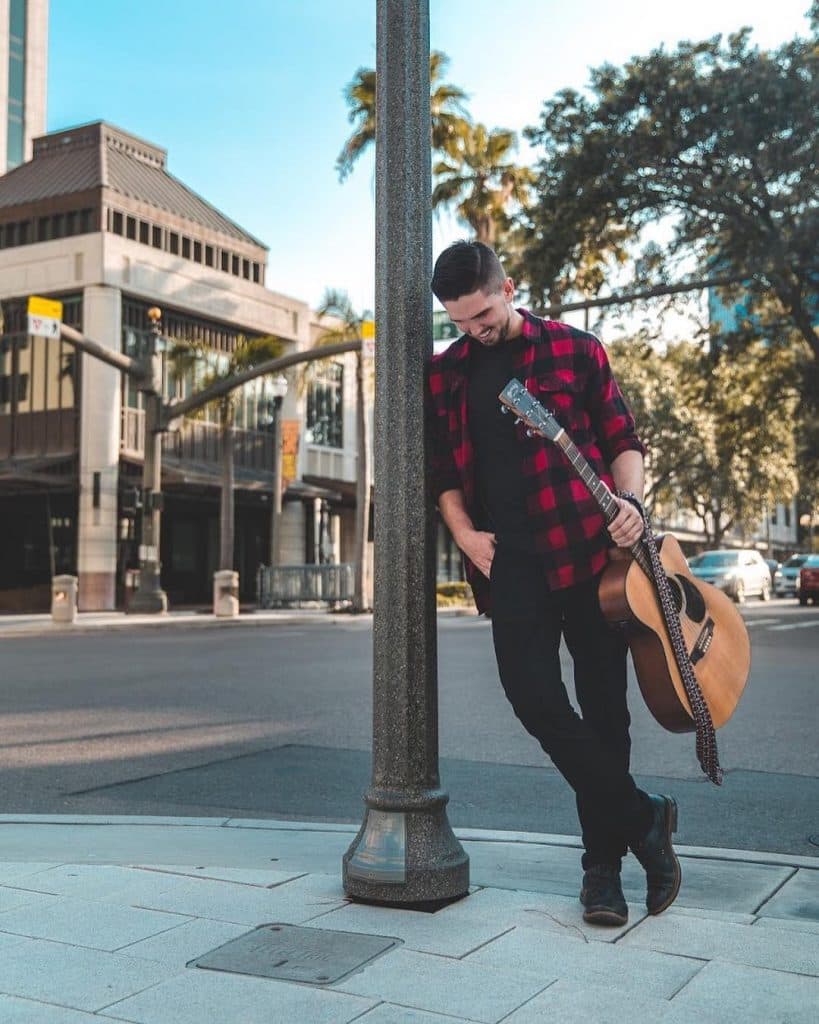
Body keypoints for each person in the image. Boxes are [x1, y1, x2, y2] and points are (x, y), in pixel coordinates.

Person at [427, 240, 680, 926]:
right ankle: (642, 817)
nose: (474, 331)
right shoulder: (444, 374)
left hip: (593, 557)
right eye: (459, 322)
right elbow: (443, 475)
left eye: (481, 315)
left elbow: (622, 439)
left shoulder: (576, 349)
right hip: (508, 561)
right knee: (533, 699)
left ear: (507, 288)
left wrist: (627, 506)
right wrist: (461, 532)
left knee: (604, 713)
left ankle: (602, 872)